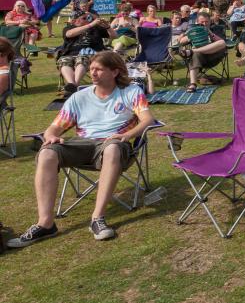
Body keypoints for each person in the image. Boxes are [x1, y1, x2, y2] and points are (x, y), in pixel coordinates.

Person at [7, 51, 156, 247]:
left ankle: (97, 218)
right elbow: (55, 126)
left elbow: (148, 119)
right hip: (83, 144)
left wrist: (127, 135)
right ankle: (45, 223)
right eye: (91, 69)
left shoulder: (131, 92)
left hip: (114, 144)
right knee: (47, 153)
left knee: (112, 148)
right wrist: (51, 135)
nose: (92, 73)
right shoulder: (79, 97)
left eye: (99, 69)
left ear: (115, 72)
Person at [58, 7, 116, 94]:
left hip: (90, 53)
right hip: (70, 53)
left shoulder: (96, 28)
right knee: (64, 61)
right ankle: (71, 84)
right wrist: (90, 24)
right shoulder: (69, 28)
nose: (88, 19)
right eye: (84, 18)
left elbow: (114, 36)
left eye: (88, 17)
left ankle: (74, 85)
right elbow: (69, 34)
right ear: (74, 21)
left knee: (81, 59)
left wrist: (108, 27)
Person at [178, 11, 228, 91]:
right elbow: (181, 42)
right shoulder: (194, 30)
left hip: (213, 56)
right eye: (202, 22)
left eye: (206, 22)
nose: (204, 24)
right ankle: (193, 84)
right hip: (200, 58)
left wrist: (210, 34)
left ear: (210, 21)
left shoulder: (216, 28)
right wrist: (190, 36)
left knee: (221, 43)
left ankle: (192, 51)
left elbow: (223, 42)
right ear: (197, 22)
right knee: (196, 54)